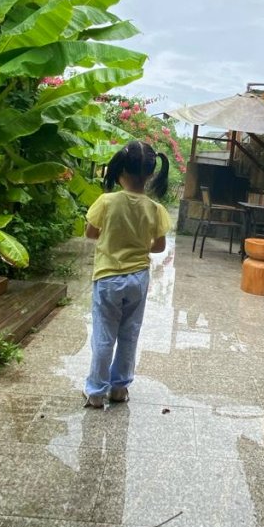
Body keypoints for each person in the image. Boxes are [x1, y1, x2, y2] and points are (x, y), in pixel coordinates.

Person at [83, 140, 173, 407]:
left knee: (103, 335)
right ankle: (120, 388)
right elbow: (159, 246)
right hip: (137, 279)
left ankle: (96, 392)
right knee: (129, 334)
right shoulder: (155, 209)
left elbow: (90, 233)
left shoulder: (107, 201)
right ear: (150, 174)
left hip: (107, 277)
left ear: (120, 170)